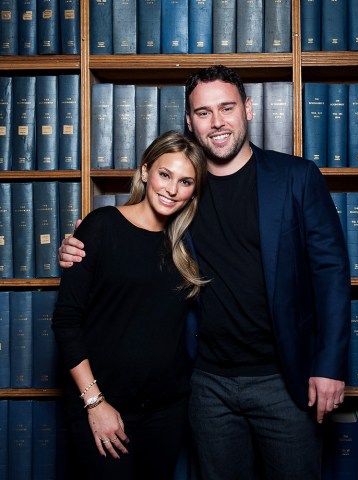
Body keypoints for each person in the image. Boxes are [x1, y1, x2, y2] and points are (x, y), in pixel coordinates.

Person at [58, 65, 351, 480]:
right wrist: (78, 248)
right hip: (206, 383)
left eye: (227, 108)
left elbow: (331, 275)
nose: (216, 122)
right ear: (190, 121)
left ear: (247, 109)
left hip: (284, 379)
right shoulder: (183, 191)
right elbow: (130, 241)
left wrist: (330, 364)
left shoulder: (295, 178)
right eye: (203, 112)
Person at [52, 130, 208, 480]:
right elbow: (66, 321)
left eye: (185, 182)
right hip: (103, 403)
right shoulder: (101, 226)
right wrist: (95, 403)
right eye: (165, 175)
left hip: (166, 410)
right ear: (144, 171)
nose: (171, 189)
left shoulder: (185, 244)